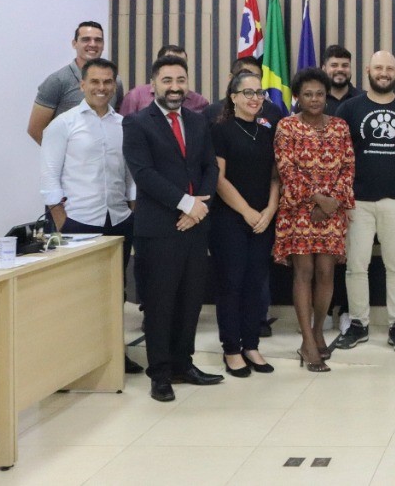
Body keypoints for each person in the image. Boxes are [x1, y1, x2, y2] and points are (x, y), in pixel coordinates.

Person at [122, 56, 222, 402]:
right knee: (160, 304)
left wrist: (199, 208)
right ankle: (160, 374)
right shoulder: (137, 123)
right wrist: (186, 204)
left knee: (190, 302)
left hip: (195, 226)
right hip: (159, 229)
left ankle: (184, 364)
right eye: (167, 80)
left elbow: (210, 167)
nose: (175, 87)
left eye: (181, 80)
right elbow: (144, 174)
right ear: (153, 85)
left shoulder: (197, 120)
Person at [39, 57, 142, 375]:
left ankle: (114, 353)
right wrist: (61, 220)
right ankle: (75, 361)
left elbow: (129, 174)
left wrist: (131, 209)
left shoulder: (123, 124)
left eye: (107, 82)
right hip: (78, 222)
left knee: (115, 291)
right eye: (95, 81)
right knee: (78, 294)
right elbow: (49, 176)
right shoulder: (63, 124)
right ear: (82, 84)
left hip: (118, 220)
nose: (101, 87)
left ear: (115, 86)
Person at [332, 51, 395, 352]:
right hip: (356, 201)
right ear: (368, 70)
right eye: (378, 68)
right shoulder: (349, 109)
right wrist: (341, 201)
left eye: (389, 69)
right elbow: (337, 159)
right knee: (356, 266)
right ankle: (358, 325)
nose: (383, 73)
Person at [274, 67, 356, 372]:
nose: (314, 99)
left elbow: (348, 167)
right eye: (307, 94)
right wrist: (317, 200)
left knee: (326, 271)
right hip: (299, 210)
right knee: (304, 271)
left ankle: (319, 329)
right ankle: (307, 341)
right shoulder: (287, 127)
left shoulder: (340, 127)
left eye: (320, 94)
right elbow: (286, 169)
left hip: (332, 211)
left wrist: (332, 202)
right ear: (297, 97)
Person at [209, 68, 279, 376]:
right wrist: (247, 212)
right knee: (231, 285)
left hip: (263, 220)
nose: (255, 98)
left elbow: (276, 177)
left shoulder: (267, 131)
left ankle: (251, 345)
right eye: (248, 92)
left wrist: (270, 210)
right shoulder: (220, 130)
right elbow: (218, 179)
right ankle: (232, 349)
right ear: (234, 97)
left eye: (259, 92)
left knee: (255, 285)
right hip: (230, 220)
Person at [28, 21, 124, 144]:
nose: (92, 44)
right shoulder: (57, 81)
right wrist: (62, 152)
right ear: (74, 44)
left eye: (98, 40)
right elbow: (35, 130)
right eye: (86, 39)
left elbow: (115, 119)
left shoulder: (115, 82)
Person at [120, 45, 210, 116]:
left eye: (181, 63)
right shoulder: (136, 96)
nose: (175, 66)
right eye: (169, 62)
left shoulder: (199, 102)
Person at [204, 57, 286, 126]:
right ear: (231, 78)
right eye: (245, 75)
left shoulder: (272, 112)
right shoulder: (212, 112)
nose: (250, 80)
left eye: (256, 77)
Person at [322, 44, 359, 115]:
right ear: (324, 69)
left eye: (345, 65)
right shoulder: (314, 101)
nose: (340, 69)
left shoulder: (364, 100)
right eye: (334, 65)